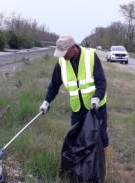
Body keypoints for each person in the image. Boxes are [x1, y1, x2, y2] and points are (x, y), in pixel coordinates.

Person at [39, 35, 110, 172]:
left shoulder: (90, 56)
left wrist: (97, 98)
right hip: (77, 106)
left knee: (101, 134)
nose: (62, 56)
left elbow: (101, 82)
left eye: (64, 53)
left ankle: (105, 167)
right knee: (76, 136)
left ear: (73, 48)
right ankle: (80, 168)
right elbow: (54, 85)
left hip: (96, 105)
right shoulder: (61, 62)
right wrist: (46, 101)